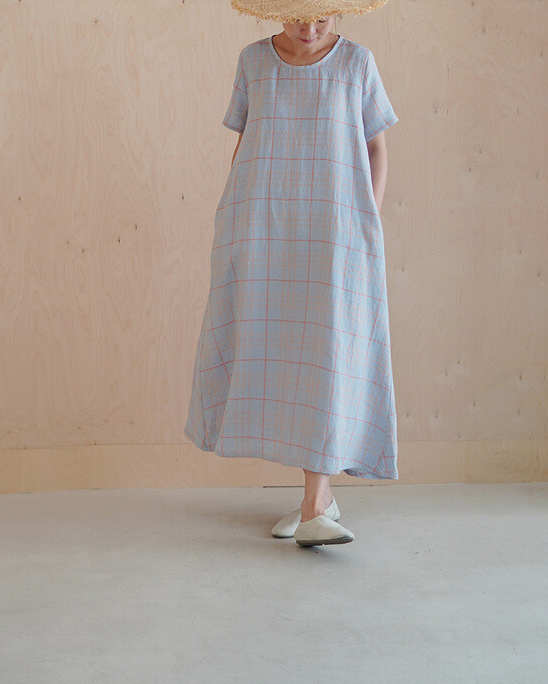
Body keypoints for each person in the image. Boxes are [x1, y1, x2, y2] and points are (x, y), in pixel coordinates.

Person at [184, 0, 400, 547]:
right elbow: (246, 145)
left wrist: (367, 219)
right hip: (264, 225)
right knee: (280, 355)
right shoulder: (253, 62)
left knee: (329, 351)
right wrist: (235, 217)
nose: (309, 29)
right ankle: (317, 503)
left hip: (336, 231)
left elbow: (377, 148)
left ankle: (313, 505)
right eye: (298, 16)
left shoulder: (357, 63)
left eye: (322, 18)